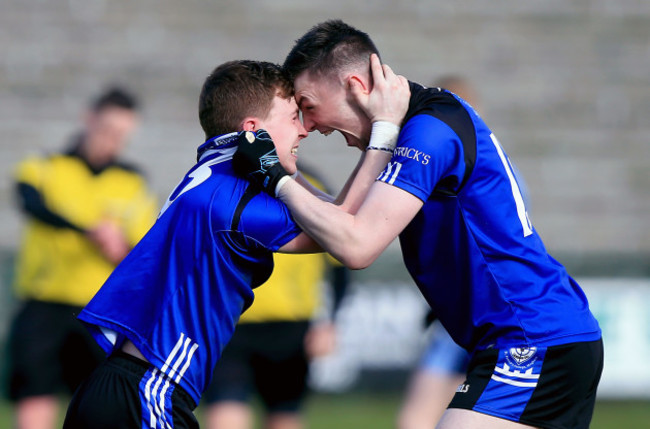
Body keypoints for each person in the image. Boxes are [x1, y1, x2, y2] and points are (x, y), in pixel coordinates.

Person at [231, 20, 604, 429]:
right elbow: (341, 220)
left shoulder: (428, 133)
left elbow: (357, 247)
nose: (309, 125)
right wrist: (285, 171)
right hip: (530, 336)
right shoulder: (416, 125)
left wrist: (275, 177)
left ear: (355, 85)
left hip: (532, 336)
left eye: (309, 105)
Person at [62, 60, 404, 428]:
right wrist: (385, 127)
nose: (304, 129)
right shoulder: (236, 199)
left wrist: (280, 166)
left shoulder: (217, 164)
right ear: (253, 130)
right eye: (292, 117)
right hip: (150, 390)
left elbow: (329, 210)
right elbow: (346, 226)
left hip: (120, 386)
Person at [7, 86, 158, 429]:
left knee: (96, 404)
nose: (113, 141)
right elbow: (32, 205)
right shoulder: (44, 167)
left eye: (122, 135)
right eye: (107, 130)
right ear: (88, 119)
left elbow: (140, 251)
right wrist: (86, 231)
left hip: (100, 312)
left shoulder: (132, 181)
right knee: (35, 396)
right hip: (44, 303)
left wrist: (116, 249)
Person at [202, 172, 349, 429]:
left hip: (290, 326)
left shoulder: (313, 186)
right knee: (224, 414)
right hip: (230, 323)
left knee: (284, 416)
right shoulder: (225, 181)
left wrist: (330, 322)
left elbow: (339, 263)